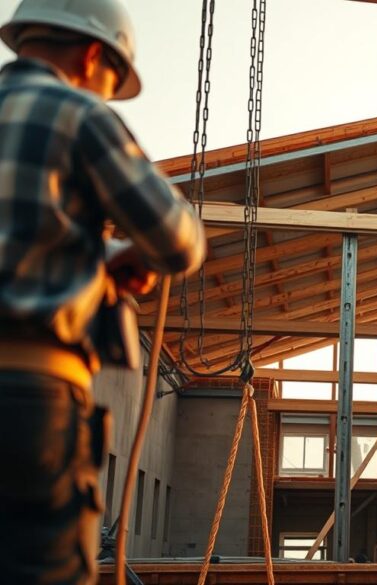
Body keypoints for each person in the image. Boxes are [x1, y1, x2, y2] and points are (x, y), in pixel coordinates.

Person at [0, 0, 205, 582]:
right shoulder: (74, 112)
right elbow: (178, 240)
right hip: (29, 398)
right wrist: (128, 256)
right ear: (94, 55)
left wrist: (97, 255)